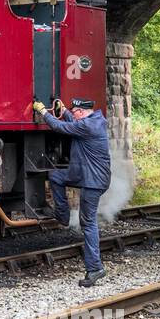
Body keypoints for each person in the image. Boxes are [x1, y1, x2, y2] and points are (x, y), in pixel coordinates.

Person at [32, 97, 111, 287]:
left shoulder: (88, 127)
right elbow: (73, 122)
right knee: (56, 177)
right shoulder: (92, 121)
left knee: (88, 223)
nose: (74, 115)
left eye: (75, 113)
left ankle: (95, 268)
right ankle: (63, 215)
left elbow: (61, 127)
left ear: (82, 113)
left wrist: (43, 112)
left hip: (92, 180)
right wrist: (65, 110)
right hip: (84, 174)